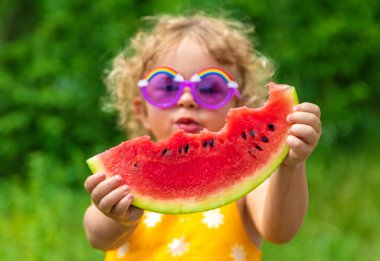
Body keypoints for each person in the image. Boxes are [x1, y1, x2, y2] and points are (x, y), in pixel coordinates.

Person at [83, 14, 322, 261]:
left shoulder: (247, 183)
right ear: (141, 110)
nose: (187, 99)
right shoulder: (127, 177)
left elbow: (279, 231)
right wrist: (116, 216)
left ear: (238, 106)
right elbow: (97, 236)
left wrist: (291, 165)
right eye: (167, 87)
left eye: (209, 88)